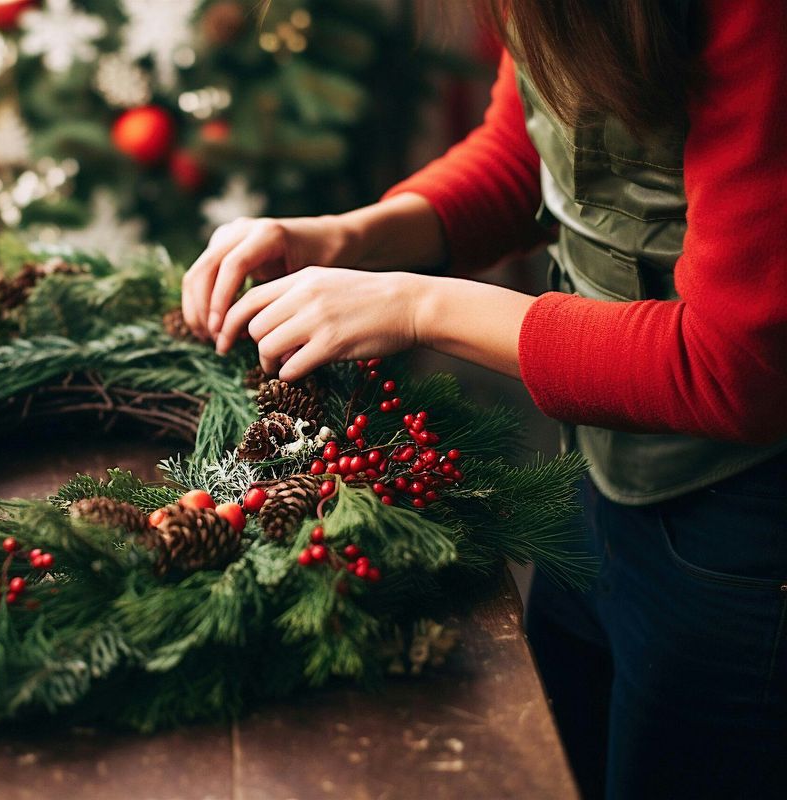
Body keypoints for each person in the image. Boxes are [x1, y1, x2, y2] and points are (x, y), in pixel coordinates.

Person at [180, 1, 787, 798]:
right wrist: (346, 237)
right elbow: (522, 154)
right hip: (592, 473)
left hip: (736, 537)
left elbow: (736, 368)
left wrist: (419, 306)